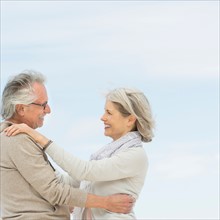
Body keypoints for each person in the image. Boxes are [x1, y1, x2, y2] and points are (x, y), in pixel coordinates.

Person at [0, 70, 134, 220]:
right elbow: (54, 191)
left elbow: (42, 187)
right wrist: (106, 203)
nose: (48, 110)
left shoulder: (16, 138)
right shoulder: (17, 139)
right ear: (21, 109)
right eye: (43, 105)